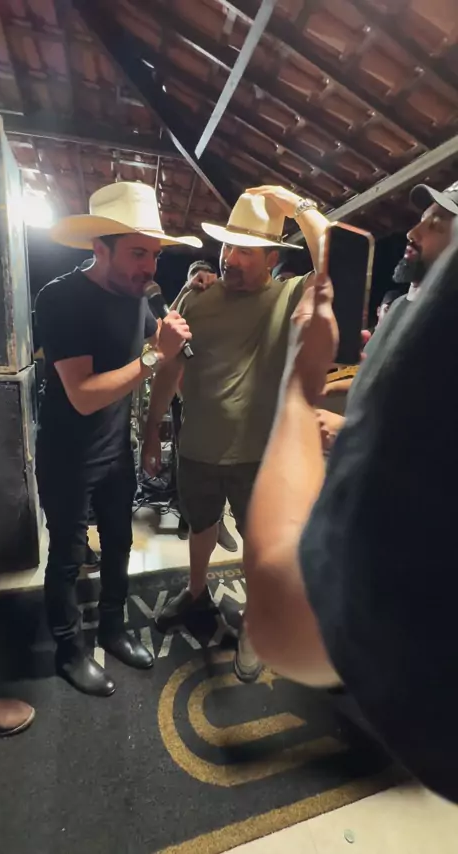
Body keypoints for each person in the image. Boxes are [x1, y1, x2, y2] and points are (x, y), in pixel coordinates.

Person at [243, 212, 458, 802]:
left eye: (439, 221)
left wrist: (300, 382)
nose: (414, 229)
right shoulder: (408, 307)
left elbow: (289, 619)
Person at [142, 185, 329, 682]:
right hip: (197, 447)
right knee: (200, 525)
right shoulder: (196, 295)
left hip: (257, 455)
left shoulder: (289, 295)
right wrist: (152, 429)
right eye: (228, 246)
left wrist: (298, 206)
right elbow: (169, 365)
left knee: (257, 544)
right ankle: (196, 593)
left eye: (247, 250)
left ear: (272, 258)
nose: (231, 258)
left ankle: (254, 623)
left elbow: (335, 259)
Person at [35, 182, 198, 697]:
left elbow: (165, 363)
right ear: (98, 248)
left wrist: (150, 436)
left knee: (120, 544)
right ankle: (68, 650)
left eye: (154, 254)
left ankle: (111, 628)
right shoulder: (61, 298)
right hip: (67, 454)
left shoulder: (138, 297)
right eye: (137, 253)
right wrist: (155, 355)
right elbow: (84, 395)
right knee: (67, 556)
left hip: (115, 450)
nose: (149, 267)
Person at [317, 183, 458, 450]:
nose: (412, 233)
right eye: (421, 220)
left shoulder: (447, 324)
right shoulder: (401, 307)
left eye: (435, 225)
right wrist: (332, 385)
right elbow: (391, 384)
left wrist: (350, 432)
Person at [168, 261, 238, 553]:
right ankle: (188, 516)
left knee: (219, 459)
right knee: (183, 457)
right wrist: (185, 289)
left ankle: (217, 521)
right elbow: (163, 328)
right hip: (182, 396)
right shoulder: (183, 303)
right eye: (193, 278)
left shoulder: (221, 306)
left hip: (216, 397)